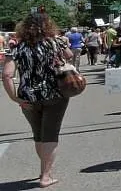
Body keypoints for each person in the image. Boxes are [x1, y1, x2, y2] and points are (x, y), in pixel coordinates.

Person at [2, 10, 74, 188]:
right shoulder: (54, 42)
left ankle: (44, 170)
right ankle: (46, 176)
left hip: (28, 98)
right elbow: (70, 56)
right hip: (55, 94)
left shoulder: (17, 48)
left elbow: (7, 75)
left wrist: (15, 98)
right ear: (47, 26)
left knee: (39, 135)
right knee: (50, 134)